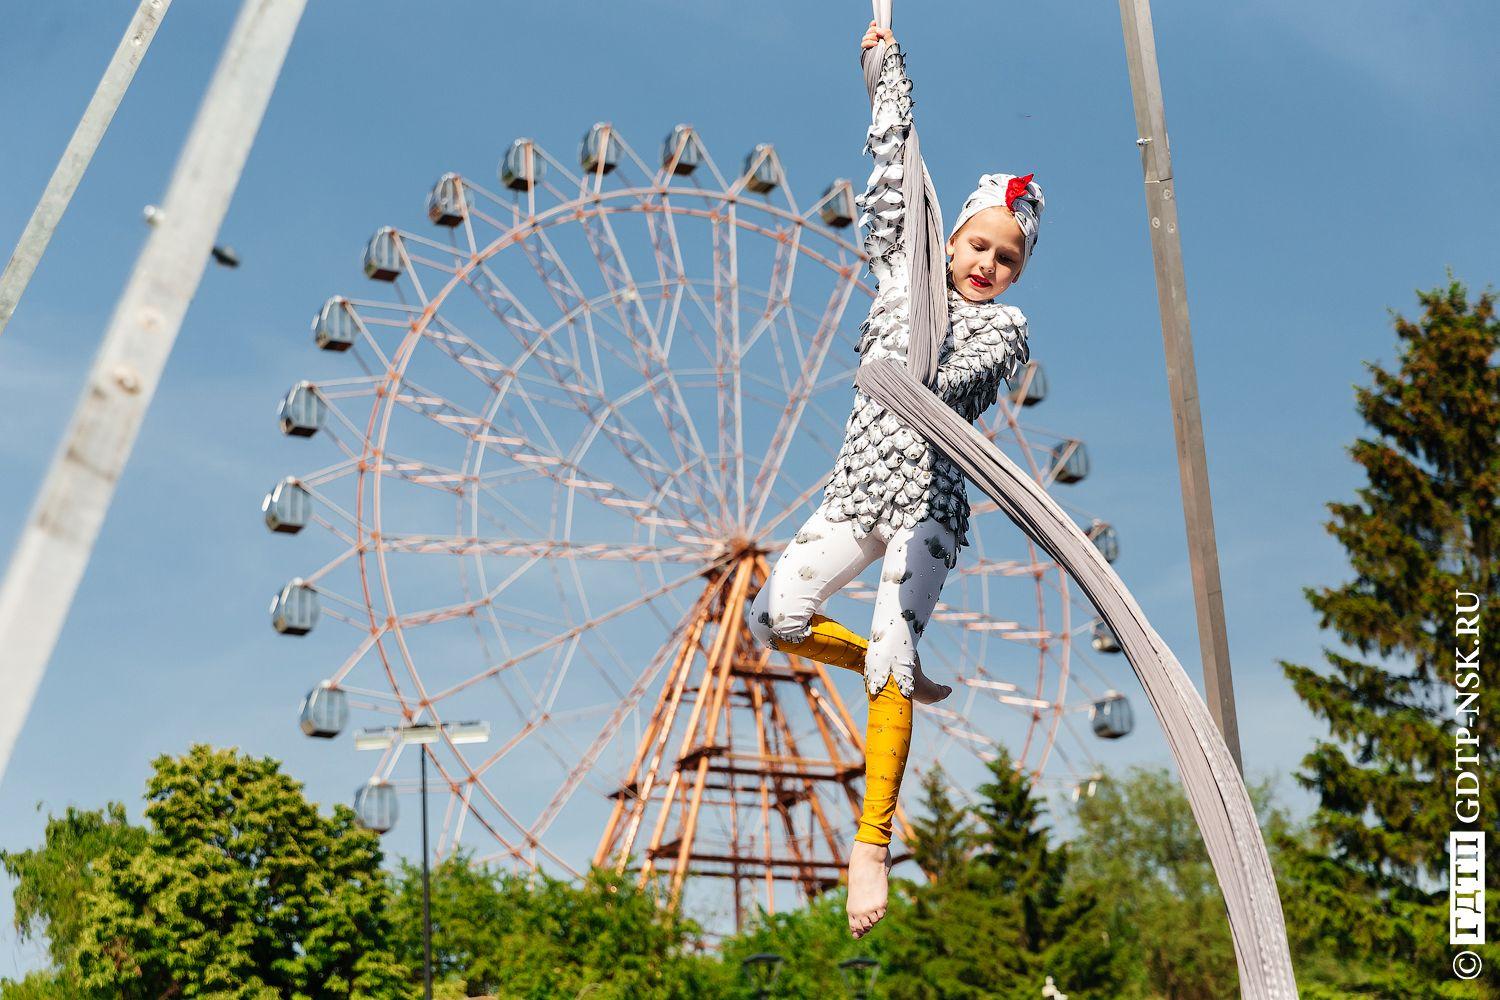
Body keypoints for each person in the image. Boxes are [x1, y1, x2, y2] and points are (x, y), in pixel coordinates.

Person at [746, 18, 1044, 939]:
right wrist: (883, 68)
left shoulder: (1006, 328)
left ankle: (868, 842)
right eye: (977, 246)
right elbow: (891, 168)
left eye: (1007, 256)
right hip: (856, 489)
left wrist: (917, 315)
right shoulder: (897, 271)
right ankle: (897, 676)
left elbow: (939, 381)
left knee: (887, 647)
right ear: (950, 237)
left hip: (926, 506)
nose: (988, 264)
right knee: (774, 618)